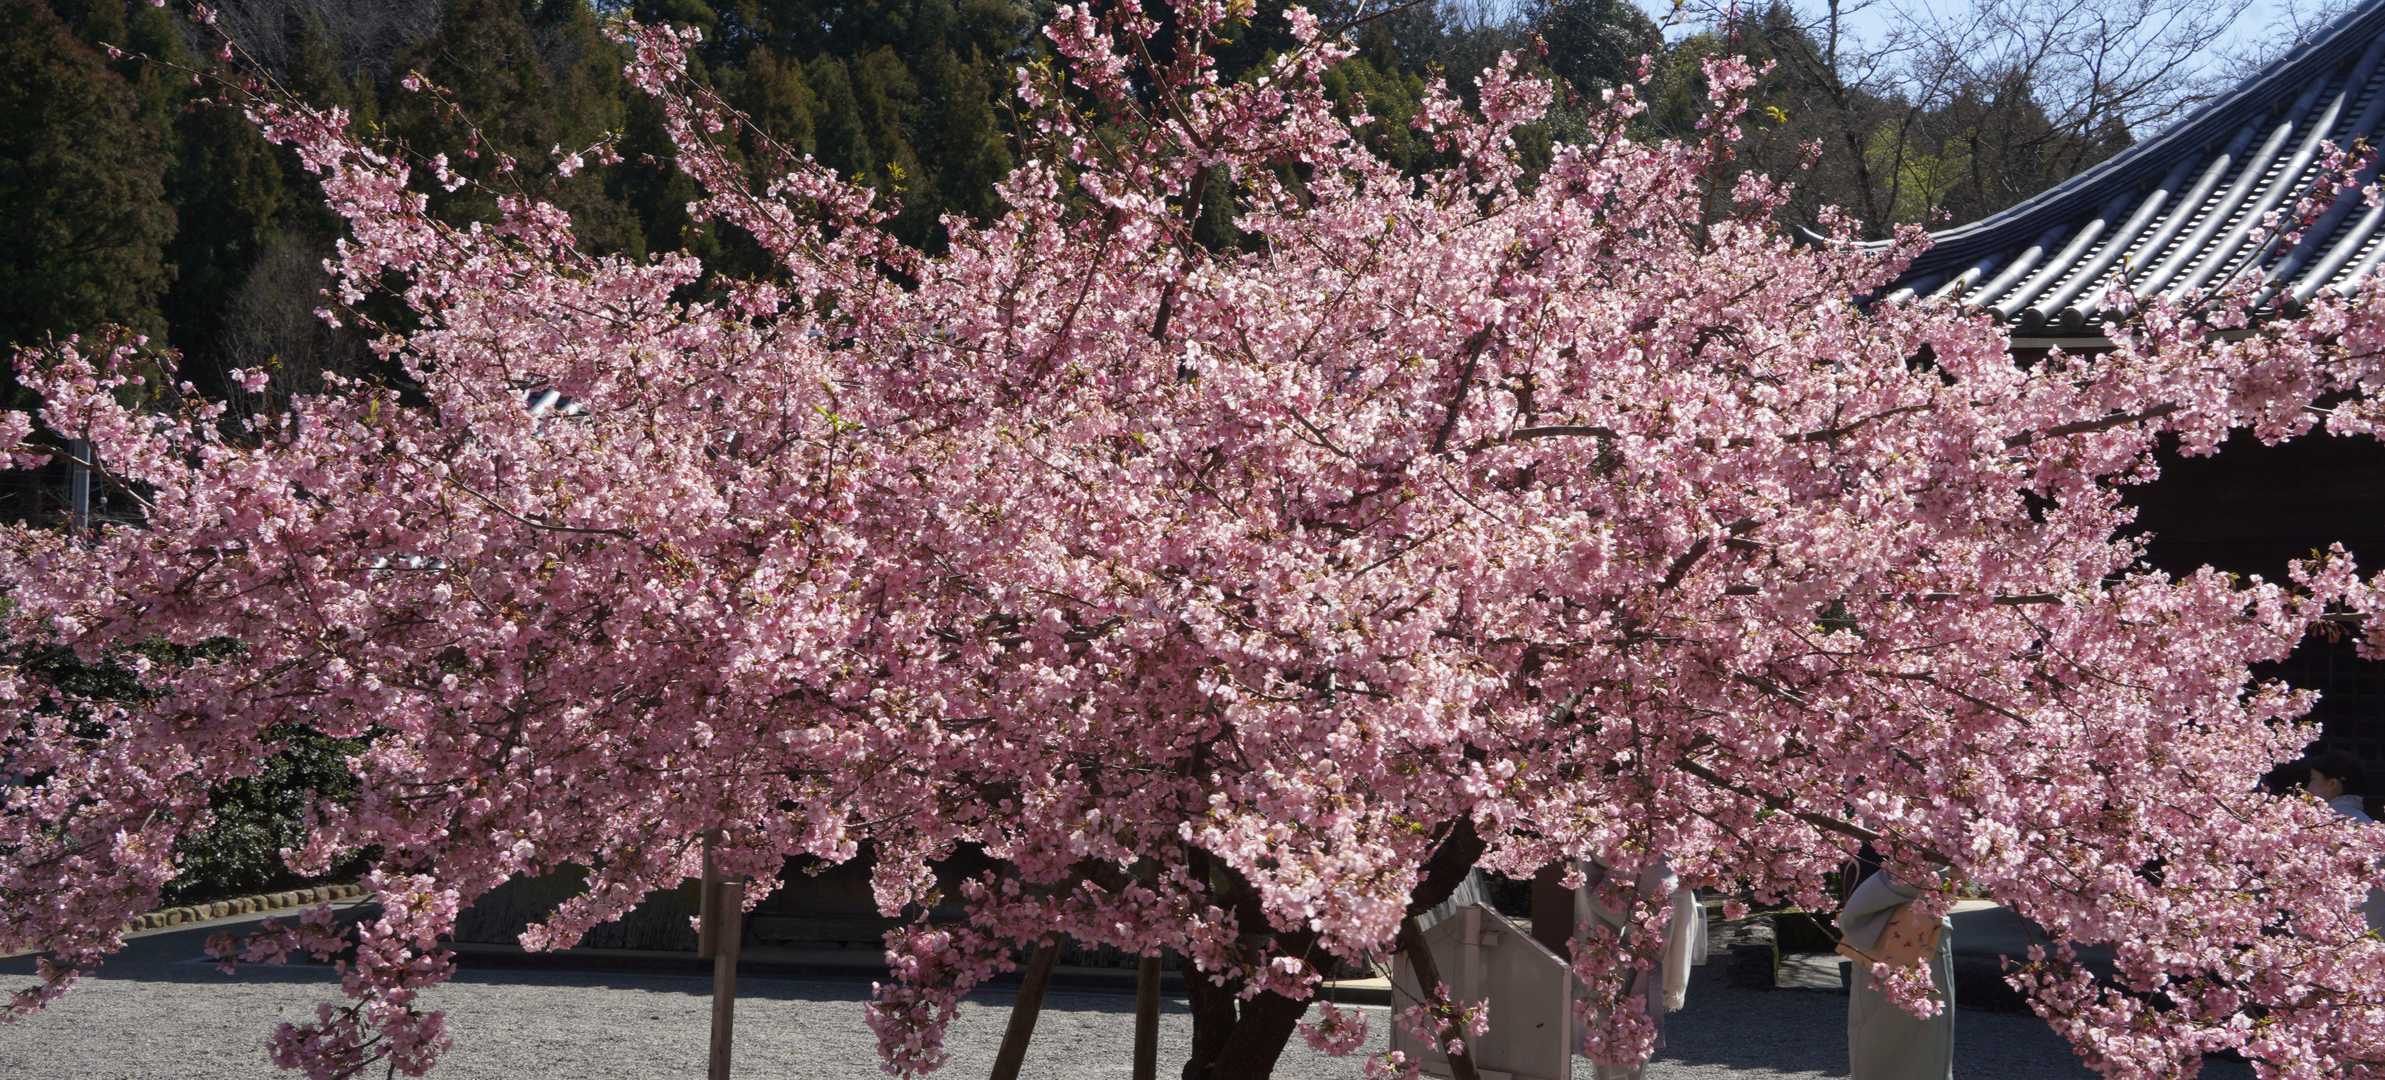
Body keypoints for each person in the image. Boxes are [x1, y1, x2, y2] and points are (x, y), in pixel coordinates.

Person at [1836, 871, 1954, 1080]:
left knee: (1894, 1037)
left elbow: (1928, 870)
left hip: (1906, 938)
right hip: (1884, 940)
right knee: (1880, 1035)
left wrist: (1853, 919)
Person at [2296, 750, 2385, 931]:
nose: (2307, 789)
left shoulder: (2321, 827)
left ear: (2332, 784)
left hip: (2329, 932)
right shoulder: (2371, 827)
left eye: (2313, 780)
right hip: (2371, 934)